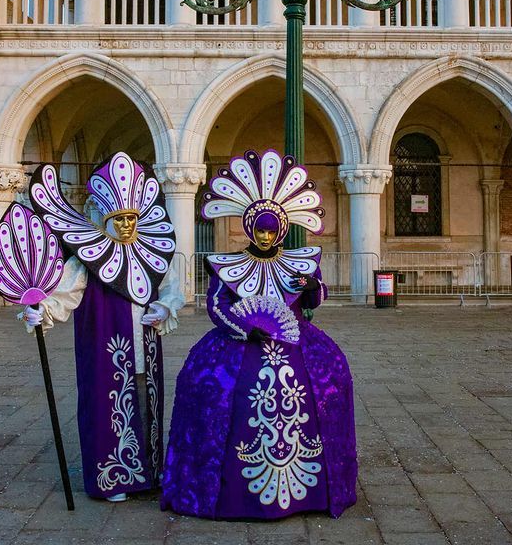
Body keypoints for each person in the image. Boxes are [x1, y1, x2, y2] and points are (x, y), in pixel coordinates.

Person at [160, 149, 357, 519]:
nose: (266, 236)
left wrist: (311, 284)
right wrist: (246, 330)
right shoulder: (227, 265)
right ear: (250, 229)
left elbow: (316, 296)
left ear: (280, 230)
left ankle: (309, 490)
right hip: (240, 344)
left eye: (272, 230)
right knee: (215, 391)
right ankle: (226, 488)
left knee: (330, 383)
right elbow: (217, 306)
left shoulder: (297, 261)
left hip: (298, 341)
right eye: (260, 230)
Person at [22, 152, 184, 502]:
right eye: (119, 218)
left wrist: (163, 307)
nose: (127, 225)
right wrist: (42, 313)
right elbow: (65, 294)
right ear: (105, 218)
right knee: (106, 407)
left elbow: (172, 290)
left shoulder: (153, 253)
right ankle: (115, 477)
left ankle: (149, 472)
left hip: (146, 345)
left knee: (145, 404)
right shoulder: (87, 258)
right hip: (105, 349)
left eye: (131, 217)